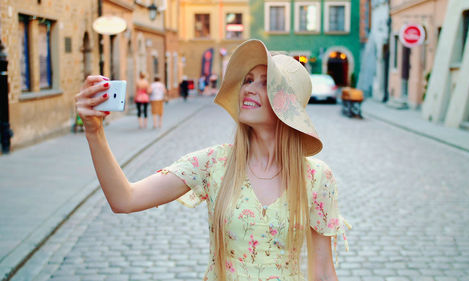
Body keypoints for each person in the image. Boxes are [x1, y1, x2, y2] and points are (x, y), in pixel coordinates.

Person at [74, 39, 349, 281]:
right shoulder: (212, 163)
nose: (249, 88)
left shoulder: (316, 178)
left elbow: (324, 272)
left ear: (286, 106)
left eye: (265, 83)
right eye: (248, 80)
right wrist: (93, 131)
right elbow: (125, 199)